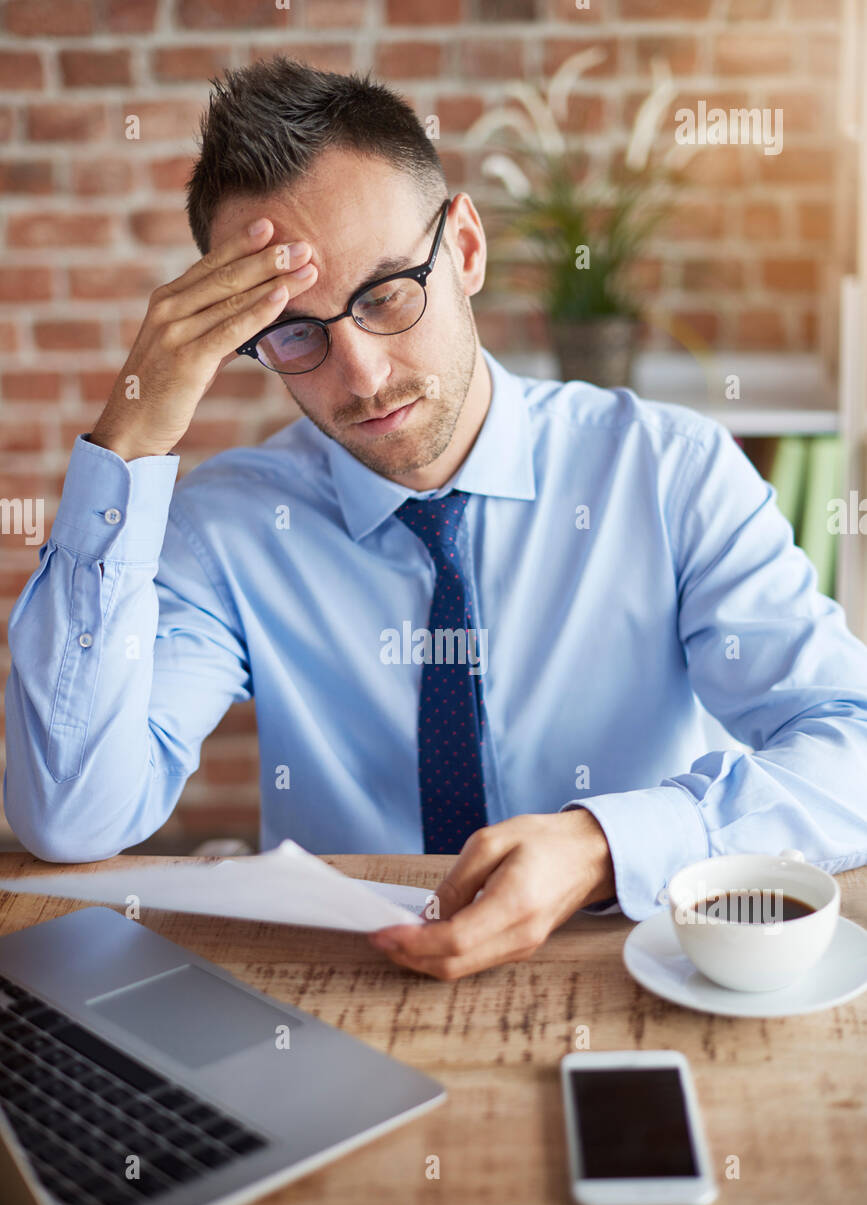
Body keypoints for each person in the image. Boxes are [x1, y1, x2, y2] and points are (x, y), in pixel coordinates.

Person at [5, 58, 867, 980]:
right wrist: (132, 435)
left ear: (463, 248)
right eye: (297, 332)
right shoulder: (225, 530)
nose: (363, 376)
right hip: (346, 991)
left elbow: (848, 742)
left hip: (627, 968)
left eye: (385, 295)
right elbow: (70, 818)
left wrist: (605, 845)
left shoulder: (667, 470)